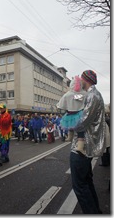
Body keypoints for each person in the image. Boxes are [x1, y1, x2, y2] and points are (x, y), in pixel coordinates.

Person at [70, 70, 106, 214]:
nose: (79, 81)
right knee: (86, 182)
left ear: (86, 80)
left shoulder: (92, 96)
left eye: (81, 79)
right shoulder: (94, 95)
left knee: (80, 186)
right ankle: (96, 211)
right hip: (87, 146)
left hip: (82, 147)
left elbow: (82, 122)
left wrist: (68, 121)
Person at [57, 75, 87, 153]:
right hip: (79, 113)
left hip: (69, 114)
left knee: (70, 125)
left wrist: (69, 106)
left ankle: (69, 137)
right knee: (81, 131)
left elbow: (61, 105)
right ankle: (80, 147)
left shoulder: (67, 94)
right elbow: (86, 102)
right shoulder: (84, 94)